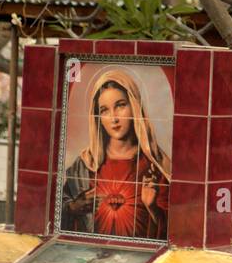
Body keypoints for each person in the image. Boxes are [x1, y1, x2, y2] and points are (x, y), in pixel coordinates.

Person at [61, 68, 170, 240]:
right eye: (104, 110)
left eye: (120, 105)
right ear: (97, 117)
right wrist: (74, 207)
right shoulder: (85, 165)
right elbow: (55, 215)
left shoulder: (155, 166)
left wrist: (153, 207)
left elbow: (179, 231)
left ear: (134, 106)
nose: (113, 118)